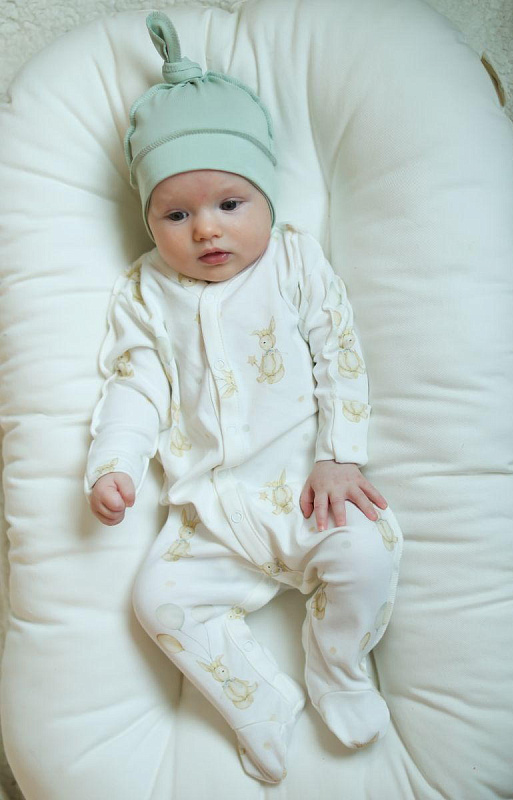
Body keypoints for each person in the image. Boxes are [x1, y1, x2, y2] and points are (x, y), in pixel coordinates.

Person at [84, 10, 403, 785]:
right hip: (212, 512)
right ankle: (259, 699)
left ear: (266, 196)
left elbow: (338, 348)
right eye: (176, 214)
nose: (206, 231)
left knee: (366, 554)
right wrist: (114, 463)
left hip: (306, 490)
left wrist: (339, 455)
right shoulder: (147, 293)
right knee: (157, 600)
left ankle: (335, 663)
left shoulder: (292, 261)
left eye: (230, 204)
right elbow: (134, 384)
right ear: (149, 220)